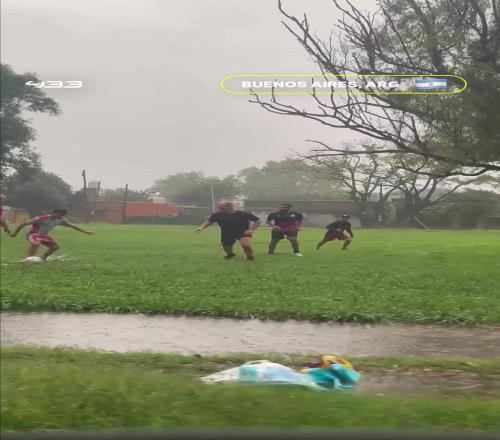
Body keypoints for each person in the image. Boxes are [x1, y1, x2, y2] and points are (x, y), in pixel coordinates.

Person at [10, 208, 94, 260]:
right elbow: (24, 223)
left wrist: (86, 232)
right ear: (54, 213)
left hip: (43, 236)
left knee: (55, 247)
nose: (61, 216)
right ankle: (28, 260)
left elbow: (72, 226)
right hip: (33, 234)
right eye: (60, 214)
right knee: (36, 244)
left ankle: (43, 258)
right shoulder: (41, 218)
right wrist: (15, 232)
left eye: (63, 215)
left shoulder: (61, 220)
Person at [196, 201, 261, 260]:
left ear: (230, 206)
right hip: (227, 232)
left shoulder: (242, 213)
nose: (219, 208)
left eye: (221, 207)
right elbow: (209, 222)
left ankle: (250, 257)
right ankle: (230, 254)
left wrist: (251, 229)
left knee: (246, 245)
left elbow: (258, 220)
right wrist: (201, 228)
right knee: (226, 248)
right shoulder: (217, 215)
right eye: (219, 207)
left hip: (242, 231)